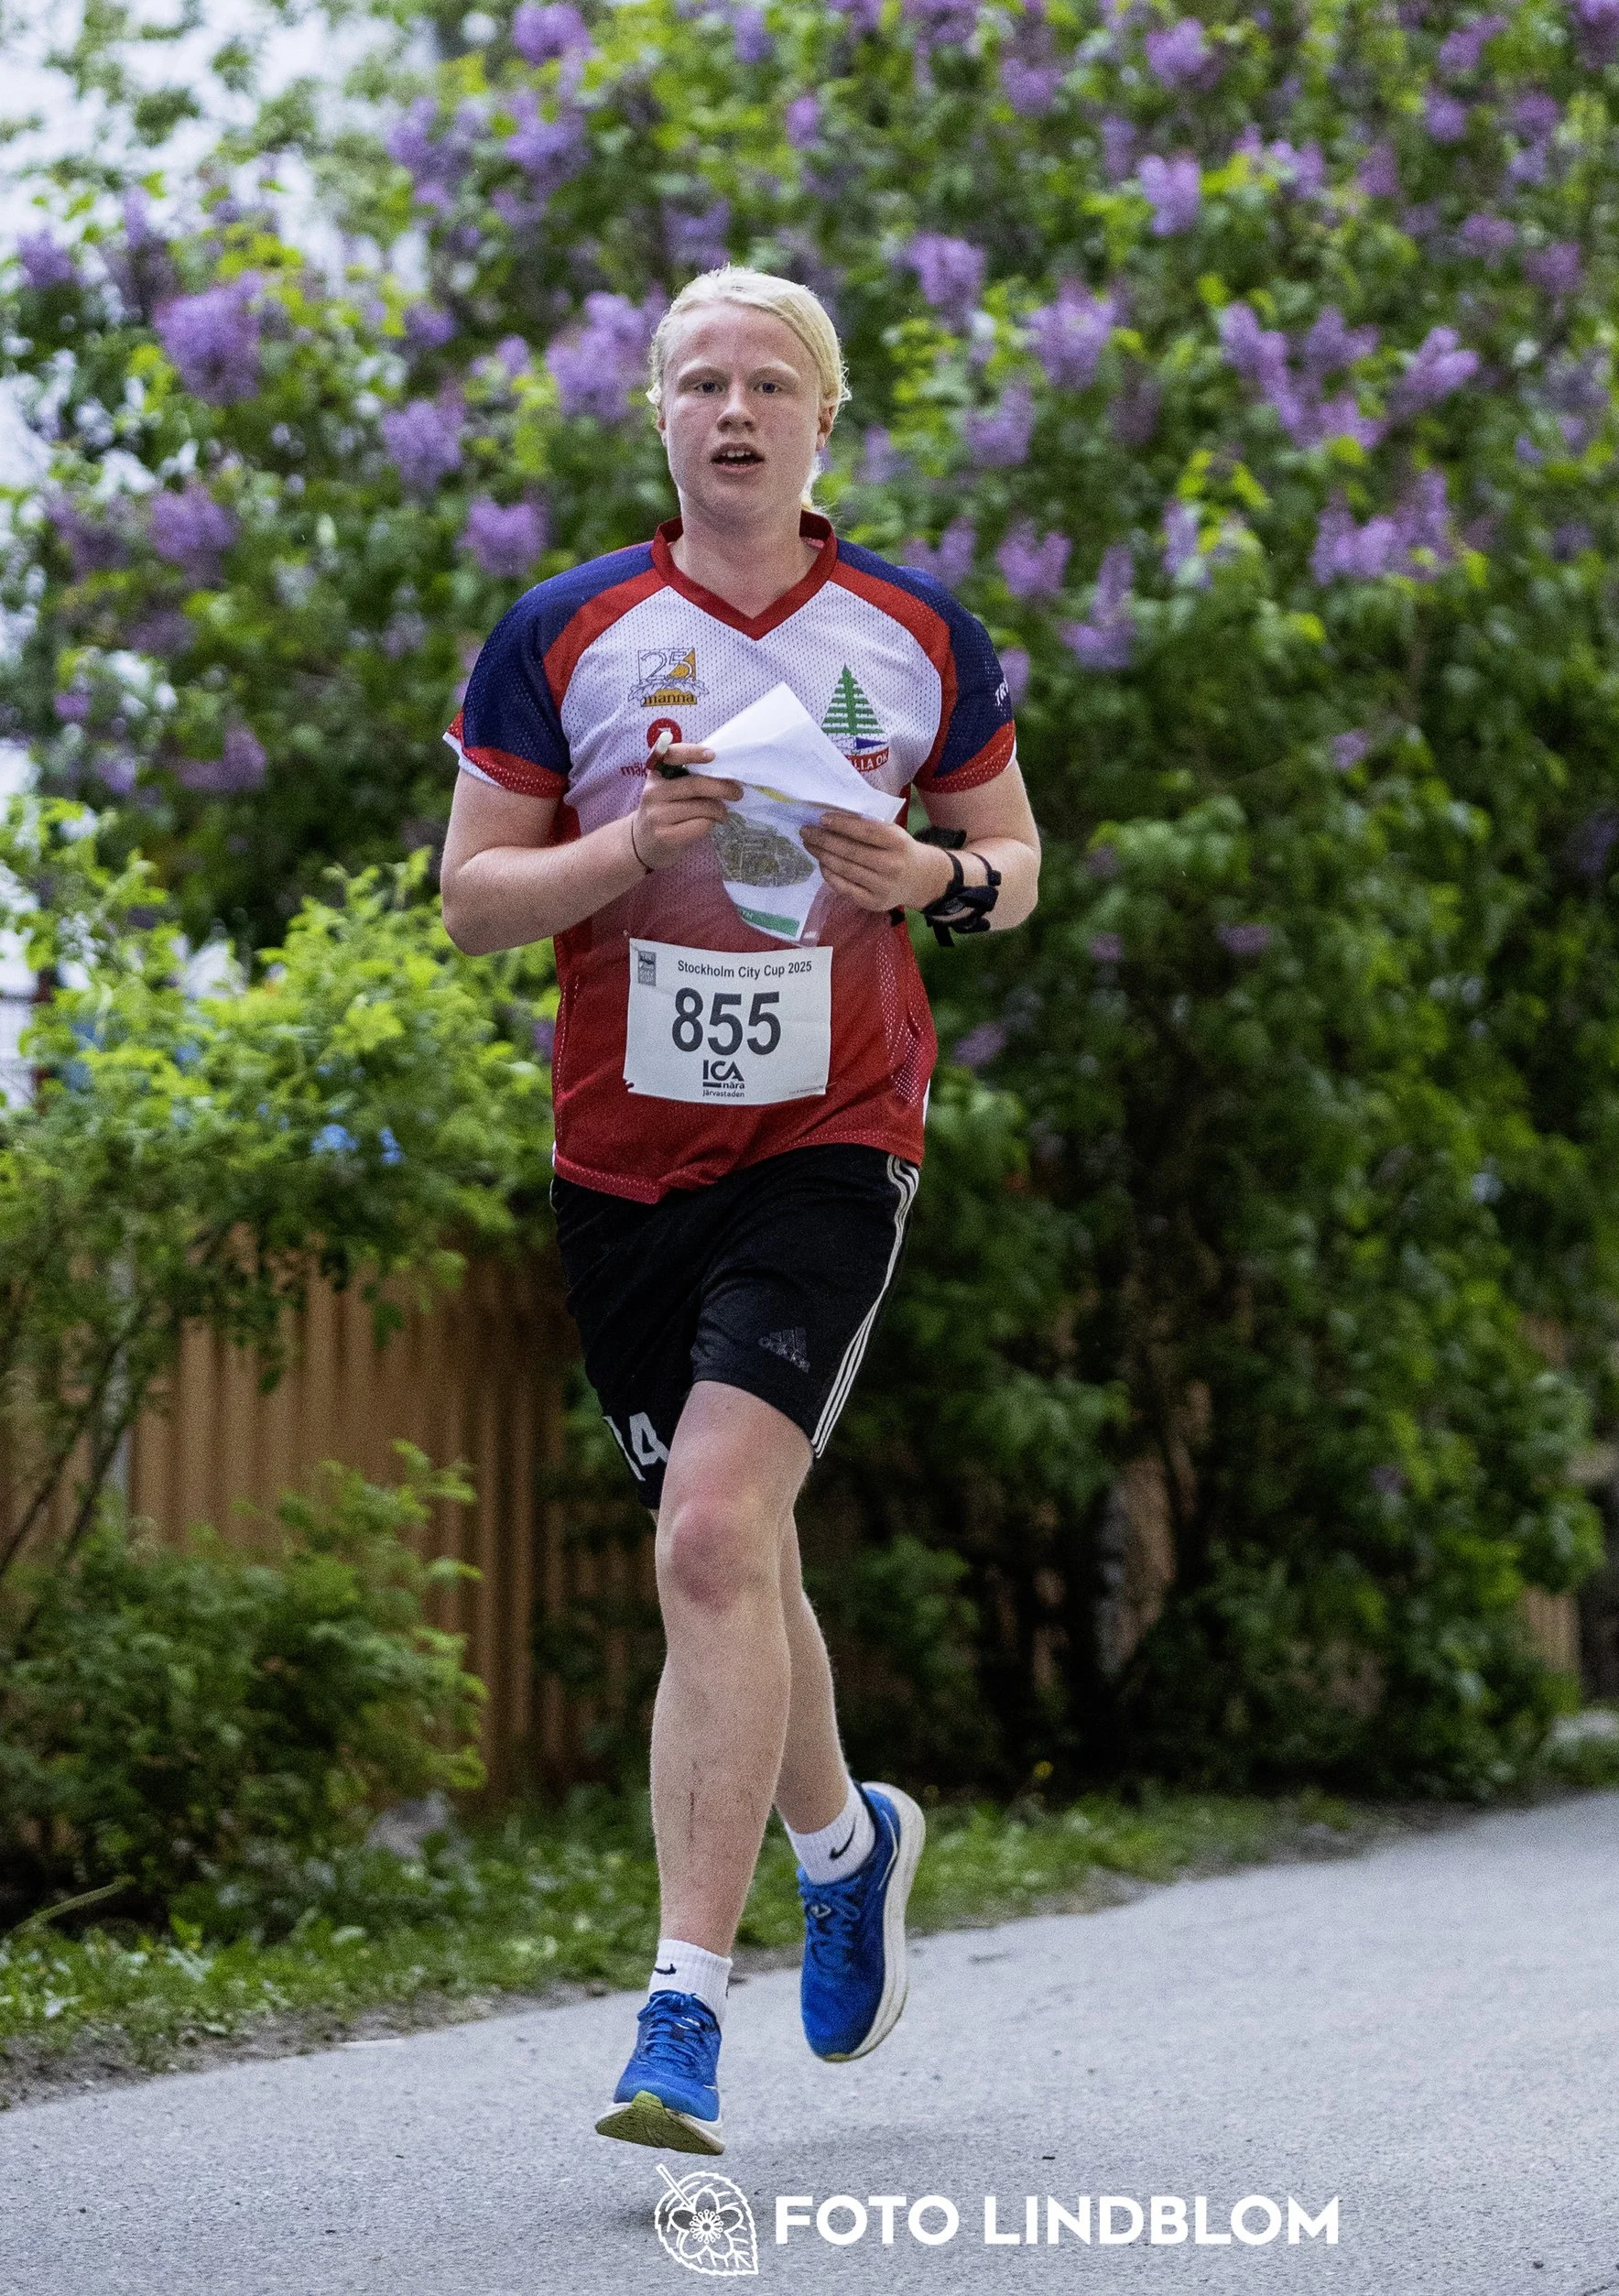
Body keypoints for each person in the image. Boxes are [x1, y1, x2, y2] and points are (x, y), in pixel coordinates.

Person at [439, 265, 1041, 2157]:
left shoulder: (915, 630)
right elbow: (471, 899)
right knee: (737, 1559)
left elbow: (1017, 861)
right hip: (622, 1162)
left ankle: (679, 2013)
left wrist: (931, 869)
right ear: (659, 419)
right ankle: (844, 1848)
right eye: (698, 380)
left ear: (821, 421)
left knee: (707, 1536)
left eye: (766, 381)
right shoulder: (568, 631)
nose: (731, 409)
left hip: (832, 1138)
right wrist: (632, 847)